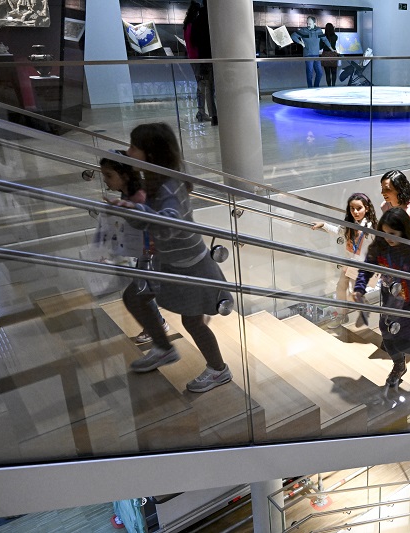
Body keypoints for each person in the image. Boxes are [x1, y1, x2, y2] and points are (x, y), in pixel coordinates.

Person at [107, 123, 233, 393]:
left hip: (190, 267)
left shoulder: (169, 185)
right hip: (168, 261)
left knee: (192, 322)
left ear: (150, 154)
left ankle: (219, 369)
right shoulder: (154, 179)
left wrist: (134, 208)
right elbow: (148, 224)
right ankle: (163, 347)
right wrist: (132, 207)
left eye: (134, 147)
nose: (128, 151)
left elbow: (168, 224)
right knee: (134, 296)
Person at [354, 207, 410, 387]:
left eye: (392, 233)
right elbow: (367, 267)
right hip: (391, 300)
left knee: (400, 340)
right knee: (387, 336)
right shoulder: (381, 245)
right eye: (384, 232)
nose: (387, 237)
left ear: (403, 231)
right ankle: (399, 366)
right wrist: (360, 288)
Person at [99, 153, 170, 345]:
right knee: (140, 292)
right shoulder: (127, 193)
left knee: (138, 294)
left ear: (125, 175)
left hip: (152, 251)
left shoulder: (138, 196)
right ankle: (157, 326)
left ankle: (158, 331)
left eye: (109, 175)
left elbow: (146, 225)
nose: (105, 180)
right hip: (145, 250)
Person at [312, 192, 378, 328]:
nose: (355, 212)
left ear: (367, 208)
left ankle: (365, 311)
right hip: (348, 263)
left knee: (355, 292)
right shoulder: (349, 224)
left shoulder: (370, 228)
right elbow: (338, 231)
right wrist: (323, 225)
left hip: (360, 267)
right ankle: (342, 315)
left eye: (358, 208)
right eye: (352, 208)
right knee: (340, 287)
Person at [380, 169, 410, 242]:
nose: (382, 192)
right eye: (382, 188)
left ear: (399, 189)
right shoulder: (384, 206)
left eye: (387, 189)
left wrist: (409, 245)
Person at [190, 4, 217, 125]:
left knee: (205, 87)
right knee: (211, 88)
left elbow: (193, 41)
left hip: (202, 59)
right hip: (211, 58)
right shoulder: (211, 20)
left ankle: (209, 113)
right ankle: (214, 114)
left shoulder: (196, 22)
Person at [291, 16, 335, 88]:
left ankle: (316, 87)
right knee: (310, 73)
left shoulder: (318, 31)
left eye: (310, 23)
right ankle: (310, 88)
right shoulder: (303, 30)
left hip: (316, 55)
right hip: (308, 55)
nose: (308, 25)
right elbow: (293, 36)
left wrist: (332, 49)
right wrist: (300, 42)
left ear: (314, 23)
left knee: (319, 73)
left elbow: (325, 40)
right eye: (307, 23)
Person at [182, 1, 205, 122]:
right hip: (197, 57)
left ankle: (201, 110)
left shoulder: (186, 25)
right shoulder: (193, 25)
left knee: (200, 84)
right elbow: (195, 42)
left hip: (192, 57)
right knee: (201, 85)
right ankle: (201, 111)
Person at [321, 23, 339, 87]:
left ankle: (329, 86)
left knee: (327, 73)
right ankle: (333, 86)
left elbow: (320, 46)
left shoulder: (323, 37)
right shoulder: (335, 36)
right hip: (333, 55)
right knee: (334, 72)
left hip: (325, 54)